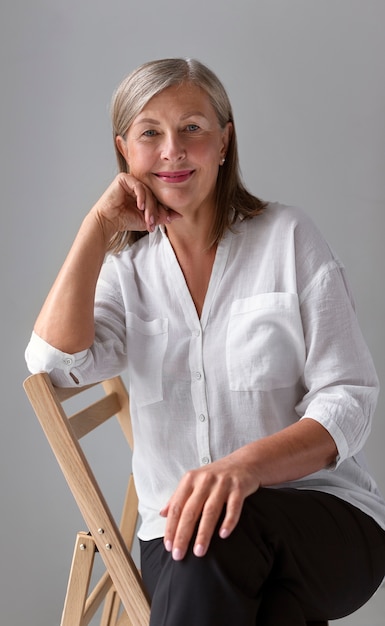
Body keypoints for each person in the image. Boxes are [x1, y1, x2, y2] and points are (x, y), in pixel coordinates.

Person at [25, 58, 385, 625]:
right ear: (125, 151)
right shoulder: (126, 273)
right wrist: (97, 227)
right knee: (241, 580)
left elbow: (350, 401)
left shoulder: (289, 239)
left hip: (322, 520)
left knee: (219, 530)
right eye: (151, 133)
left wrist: (244, 467)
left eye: (193, 128)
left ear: (224, 142)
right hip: (180, 543)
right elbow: (53, 363)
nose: (173, 150)